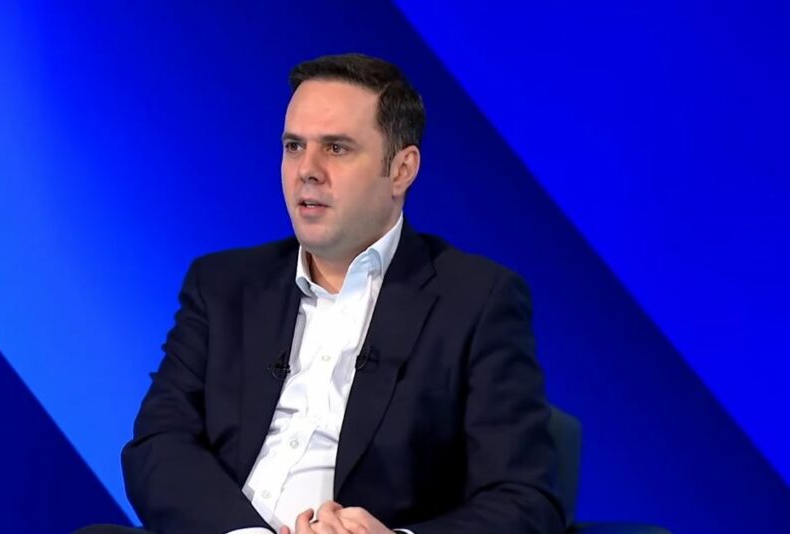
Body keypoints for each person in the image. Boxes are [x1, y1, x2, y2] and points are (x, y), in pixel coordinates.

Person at [117, 53, 564, 534]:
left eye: (336, 148)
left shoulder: (477, 300)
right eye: (293, 146)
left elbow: (524, 498)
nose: (307, 170)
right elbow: (159, 441)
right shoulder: (222, 284)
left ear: (401, 170)